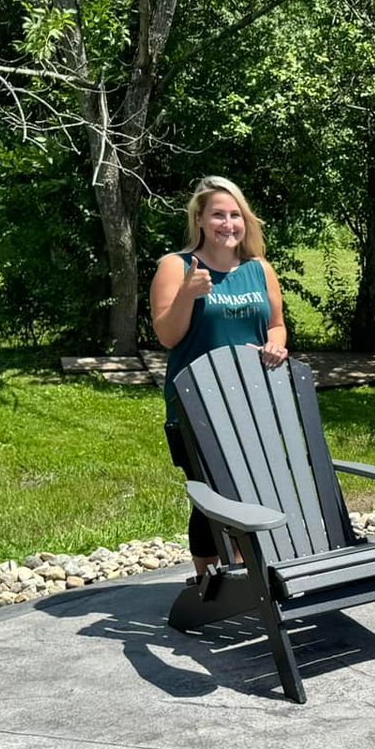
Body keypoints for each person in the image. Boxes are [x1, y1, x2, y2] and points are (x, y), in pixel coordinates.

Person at [151, 176, 289, 581]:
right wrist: (188, 295)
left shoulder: (259, 269)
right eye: (218, 215)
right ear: (199, 219)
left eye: (235, 215)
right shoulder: (176, 267)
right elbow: (167, 337)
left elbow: (277, 326)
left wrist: (276, 345)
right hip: (196, 405)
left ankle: (247, 577)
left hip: (252, 400)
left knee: (253, 484)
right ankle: (211, 581)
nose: (227, 224)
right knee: (212, 493)